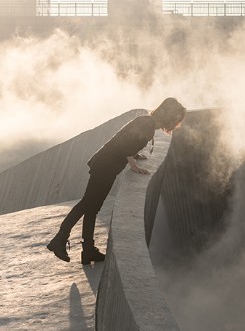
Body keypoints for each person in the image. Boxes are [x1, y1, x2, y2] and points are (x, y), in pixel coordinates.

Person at [47, 97, 187, 264]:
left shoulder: (147, 122)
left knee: (92, 208)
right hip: (105, 166)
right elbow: (124, 143)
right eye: (177, 119)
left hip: (107, 166)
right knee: (87, 205)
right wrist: (133, 164)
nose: (176, 124)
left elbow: (128, 140)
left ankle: (88, 250)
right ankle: (59, 240)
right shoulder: (148, 125)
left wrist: (134, 155)